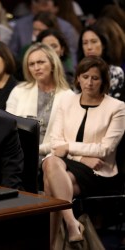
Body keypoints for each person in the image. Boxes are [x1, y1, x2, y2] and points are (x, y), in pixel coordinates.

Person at [42, 56, 125, 249]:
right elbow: (55, 142)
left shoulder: (117, 107)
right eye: (85, 76)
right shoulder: (67, 102)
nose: (89, 82)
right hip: (69, 164)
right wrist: (81, 157)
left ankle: (53, 244)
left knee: (49, 180)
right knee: (51, 163)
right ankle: (71, 223)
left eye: (95, 78)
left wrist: (70, 148)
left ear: (104, 81)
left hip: (100, 171)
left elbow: (105, 148)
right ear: (78, 78)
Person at [6, 42, 73, 160]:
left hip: (52, 156)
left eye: (41, 62)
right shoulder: (19, 90)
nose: (36, 68)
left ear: (52, 64)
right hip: (18, 154)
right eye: (31, 64)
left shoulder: (68, 96)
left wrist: (37, 150)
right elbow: (7, 127)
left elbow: (66, 139)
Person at [9, 0, 79, 68]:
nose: (37, 33)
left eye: (41, 30)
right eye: (35, 29)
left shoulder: (67, 28)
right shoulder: (26, 49)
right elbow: (13, 56)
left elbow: (72, 63)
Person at [77, 24, 124, 100]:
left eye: (94, 41)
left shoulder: (115, 72)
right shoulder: (78, 70)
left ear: (103, 44)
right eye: (85, 43)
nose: (89, 47)